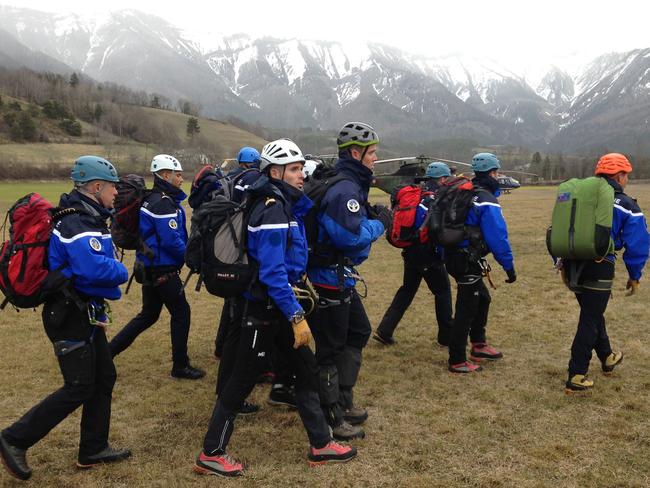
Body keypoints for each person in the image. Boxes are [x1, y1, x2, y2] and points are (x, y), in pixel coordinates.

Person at [194, 139, 356, 477]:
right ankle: (212, 452)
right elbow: (271, 272)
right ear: (275, 172)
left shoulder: (284, 203)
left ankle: (321, 443)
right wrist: (296, 315)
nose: (301, 175)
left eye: (300, 168)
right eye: (295, 169)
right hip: (266, 310)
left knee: (306, 368)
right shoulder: (272, 207)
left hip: (280, 308)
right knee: (241, 381)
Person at [0, 156, 131, 481]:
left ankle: (93, 448)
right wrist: (122, 269)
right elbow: (97, 270)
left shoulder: (89, 217)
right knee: (79, 386)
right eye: (113, 187)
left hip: (82, 310)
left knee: (104, 377)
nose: (116, 193)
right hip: (68, 315)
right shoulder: (77, 223)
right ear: (97, 186)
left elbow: (91, 273)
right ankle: (14, 438)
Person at [307, 122, 390, 440]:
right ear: (356, 153)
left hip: (340, 276)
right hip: (327, 276)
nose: (375, 158)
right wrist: (380, 223)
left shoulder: (352, 185)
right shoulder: (344, 189)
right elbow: (349, 238)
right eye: (372, 153)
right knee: (329, 349)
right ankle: (331, 417)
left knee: (358, 331)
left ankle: (343, 400)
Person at [109, 154, 204, 380]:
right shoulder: (162, 203)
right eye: (178, 175)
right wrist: (191, 258)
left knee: (148, 315)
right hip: (161, 269)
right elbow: (171, 239)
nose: (182, 179)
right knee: (181, 312)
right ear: (164, 175)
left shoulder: (153, 199)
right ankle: (180, 366)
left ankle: (107, 353)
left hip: (149, 266)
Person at [562, 153, 649, 392]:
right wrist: (635, 275)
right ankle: (577, 373)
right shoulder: (626, 204)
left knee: (593, 311)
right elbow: (638, 244)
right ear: (620, 175)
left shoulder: (581, 197)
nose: (627, 179)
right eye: (626, 175)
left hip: (570, 264)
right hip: (599, 264)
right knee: (590, 318)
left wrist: (560, 263)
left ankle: (607, 356)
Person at [445, 153, 516, 373]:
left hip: (454, 255)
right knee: (467, 308)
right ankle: (457, 359)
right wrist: (508, 266)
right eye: (497, 172)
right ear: (492, 173)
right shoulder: (485, 198)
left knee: (482, 298)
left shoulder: (463, 192)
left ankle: (479, 344)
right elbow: (497, 236)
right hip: (466, 259)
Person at [373, 161, 454, 347]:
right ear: (442, 179)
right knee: (442, 292)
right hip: (428, 255)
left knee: (406, 291)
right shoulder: (435, 199)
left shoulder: (415, 195)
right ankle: (446, 336)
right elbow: (436, 231)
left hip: (410, 252)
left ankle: (385, 330)